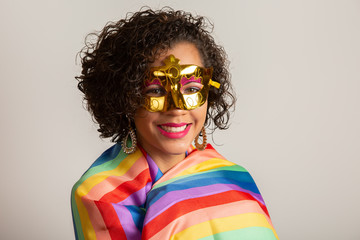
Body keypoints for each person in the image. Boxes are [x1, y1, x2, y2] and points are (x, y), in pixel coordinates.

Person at [71, 7, 278, 240]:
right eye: (156, 90)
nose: (177, 108)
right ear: (125, 98)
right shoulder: (99, 194)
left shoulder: (234, 178)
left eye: (191, 89)